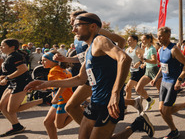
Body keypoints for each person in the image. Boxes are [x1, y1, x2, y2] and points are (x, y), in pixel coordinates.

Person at [25, 13, 154, 138]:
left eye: (77, 25)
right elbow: (80, 79)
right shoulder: (88, 50)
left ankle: (135, 126)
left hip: (108, 102)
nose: (73, 30)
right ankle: (137, 124)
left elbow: (124, 59)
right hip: (95, 101)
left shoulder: (100, 40)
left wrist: (115, 93)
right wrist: (46, 84)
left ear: (92, 26)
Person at [54, 10, 129, 126]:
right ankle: (94, 131)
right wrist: (66, 59)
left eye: (73, 20)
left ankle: (96, 132)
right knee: (71, 107)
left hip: (98, 74)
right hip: (87, 73)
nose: (71, 24)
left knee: (73, 105)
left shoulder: (97, 32)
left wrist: (112, 61)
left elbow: (122, 41)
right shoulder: (77, 37)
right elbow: (83, 58)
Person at [149, 26, 185, 139]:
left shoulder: (174, 50)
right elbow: (163, 66)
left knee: (166, 110)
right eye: (157, 36)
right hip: (164, 81)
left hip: (172, 83)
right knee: (161, 110)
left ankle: (174, 130)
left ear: (168, 36)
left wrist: (179, 80)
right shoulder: (160, 49)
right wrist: (156, 78)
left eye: (161, 36)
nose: (158, 38)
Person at [0, 39, 44, 137]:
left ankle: (42, 100)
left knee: (11, 110)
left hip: (21, 83)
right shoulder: (8, 56)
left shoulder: (15, 56)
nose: (1, 47)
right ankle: (17, 126)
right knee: (2, 106)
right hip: (12, 83)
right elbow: (10, 71)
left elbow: (23, 69)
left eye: (3, 45)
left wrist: (7, 78)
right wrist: (3, 77)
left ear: (12, 47)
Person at [41, 51, 73, 139]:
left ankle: (77, 110)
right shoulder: (59, 69)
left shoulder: (54, 70)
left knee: (59, 125)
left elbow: (63, 84)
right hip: (59, 99)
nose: (42, 62)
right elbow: (58, 84)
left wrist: (57, 96)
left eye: (44, 60)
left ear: (53, 60)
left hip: (63, 99)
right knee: (47, 122)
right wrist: (48, 87)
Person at [135, 34, 158, 111]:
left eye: (144, 39)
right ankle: (150, 100)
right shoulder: (146, 49)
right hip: (147, 71)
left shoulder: (152, 49)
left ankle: (170, 104)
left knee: (161, 91)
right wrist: (144, 64)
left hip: (154, 71)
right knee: (138, 88)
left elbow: (155, 61)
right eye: (141, 39)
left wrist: (144, 60)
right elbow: (147, 60)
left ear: (149, 40)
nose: (142, 41)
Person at [124, 35, 145, 101]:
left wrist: (139, 62)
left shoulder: (139, 50)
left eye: (129, 40)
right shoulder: (127, 50)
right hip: (132, 71)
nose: (128, 42)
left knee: (127, 88)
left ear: (135, 41)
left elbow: (145, 59)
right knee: (138, 90)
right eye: (127, 40)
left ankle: (126, 106)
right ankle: (149, 100)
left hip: (138, 71)